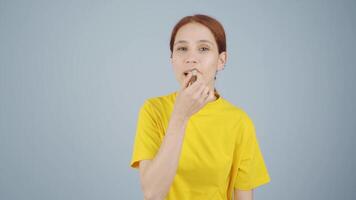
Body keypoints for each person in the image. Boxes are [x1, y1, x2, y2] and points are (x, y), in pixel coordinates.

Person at [130, 14, 271, 200]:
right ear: (172, 59)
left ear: (221, 60)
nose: (191, 58)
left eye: (203, 48)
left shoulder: (239, 121)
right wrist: (180, 116)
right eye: (182, 48)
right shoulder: (153, 110)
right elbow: (152, 194)